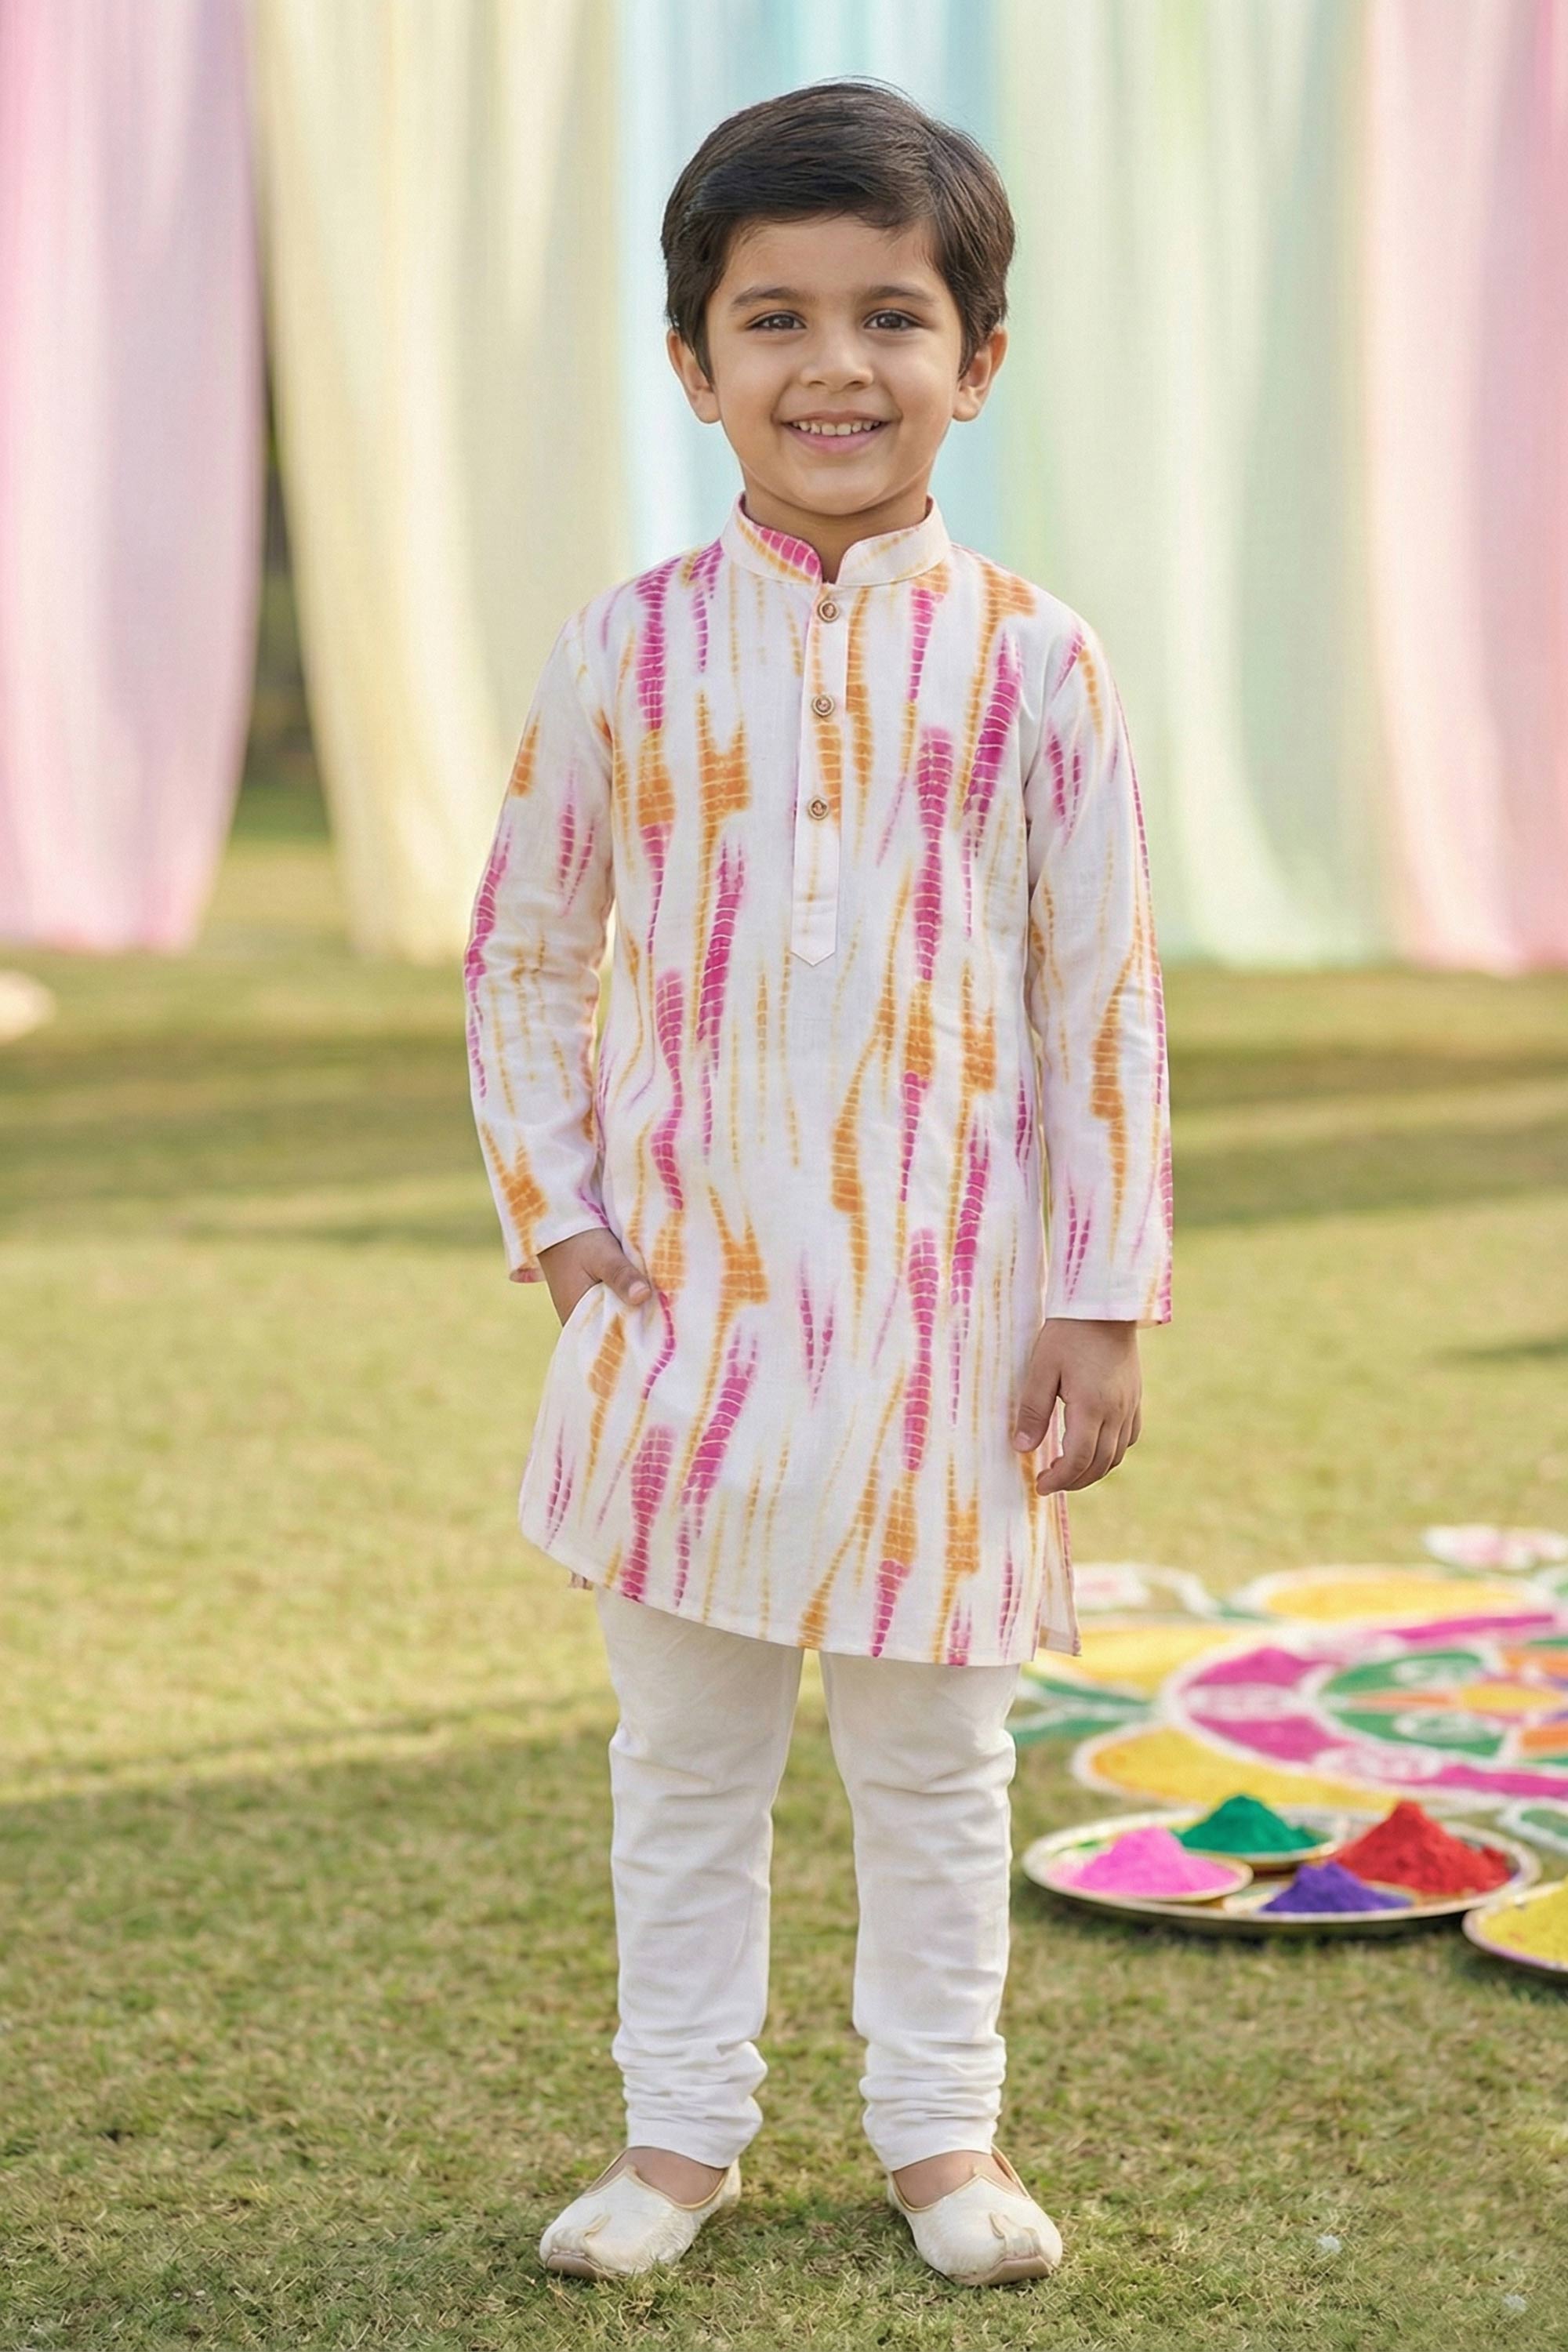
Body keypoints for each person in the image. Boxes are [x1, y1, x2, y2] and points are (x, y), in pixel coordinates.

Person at [464, 78, 1173, 2291]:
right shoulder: (629, 648)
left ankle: (941, 2139)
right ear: (695, 364)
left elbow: (1101, 998)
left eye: (893, 316)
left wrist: (1100, 1297)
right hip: (681, 1325)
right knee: (682, 1761)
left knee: (936, 1765)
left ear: (979, 357)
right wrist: (561, 1218)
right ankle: (676, 2140)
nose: (835, 366)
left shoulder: (1038, 659)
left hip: (954, 1339)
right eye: (774, 319)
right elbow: (526, 949)